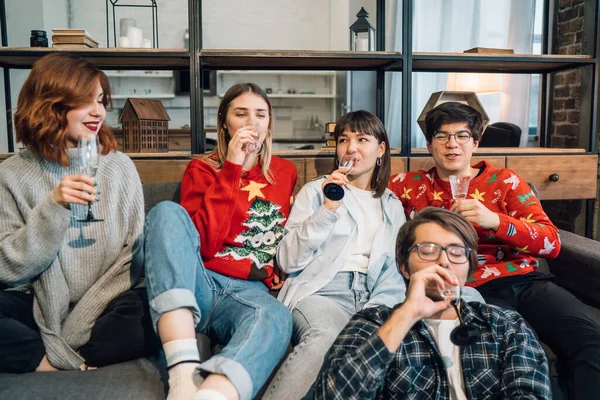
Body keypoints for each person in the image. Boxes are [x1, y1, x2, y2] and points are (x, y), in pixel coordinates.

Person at [263, 110, 483, 400]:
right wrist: (328, 209)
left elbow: (396, 266)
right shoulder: (316, 191)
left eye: (362, 139)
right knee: (327, 338)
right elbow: (288, 260)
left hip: (375, 293)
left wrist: (379, 307)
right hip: (322, 293)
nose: (351, 148)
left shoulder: (391, 203)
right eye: (344, 140)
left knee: (387, 340)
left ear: (380, 149)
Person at [388, 101, 600, 399]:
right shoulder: (407, 185)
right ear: (429, 144)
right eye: (442, 136)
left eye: (462, 136)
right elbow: (375, 218)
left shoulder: (505, 181)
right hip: (470, 288)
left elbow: (551, 243)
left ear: (475, 142)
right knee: (525, 351)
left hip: (525, 281)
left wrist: (496, 221)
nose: (452, 144)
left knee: (590, 338)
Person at [0, 53, 155, 373]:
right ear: (51, 104)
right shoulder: (12, 174)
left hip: (107, 303)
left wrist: (73, 329)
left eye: (100, 100)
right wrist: (53, 206)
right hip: (38, 304)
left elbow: (133, 261)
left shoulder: (120, 167)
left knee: (150, 312)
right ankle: (52, 363)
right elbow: (7, 268)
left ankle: (66, 352)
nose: (98, 111)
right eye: (86, 101)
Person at [143, 83, 297, 400]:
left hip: (247, 292)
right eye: (241, 114)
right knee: (166, 212)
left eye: (260, 115)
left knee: (277, 317)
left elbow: (291, 232)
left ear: (269, 124)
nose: (251, 123)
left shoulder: (285, 173)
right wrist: (232, 167)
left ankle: (212, 395)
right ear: (225, 122)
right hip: (198, 278)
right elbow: (205, 244)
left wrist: (282, 265)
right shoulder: (201, 169)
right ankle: (183, 376)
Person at [315, 207, 552, 399]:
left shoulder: (505, 326)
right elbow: (333, 394)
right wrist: (407, 313)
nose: (443, 261)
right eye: (427, 250)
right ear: (405, 268)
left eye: (457, 253)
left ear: (468, 267)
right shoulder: (372, 324)